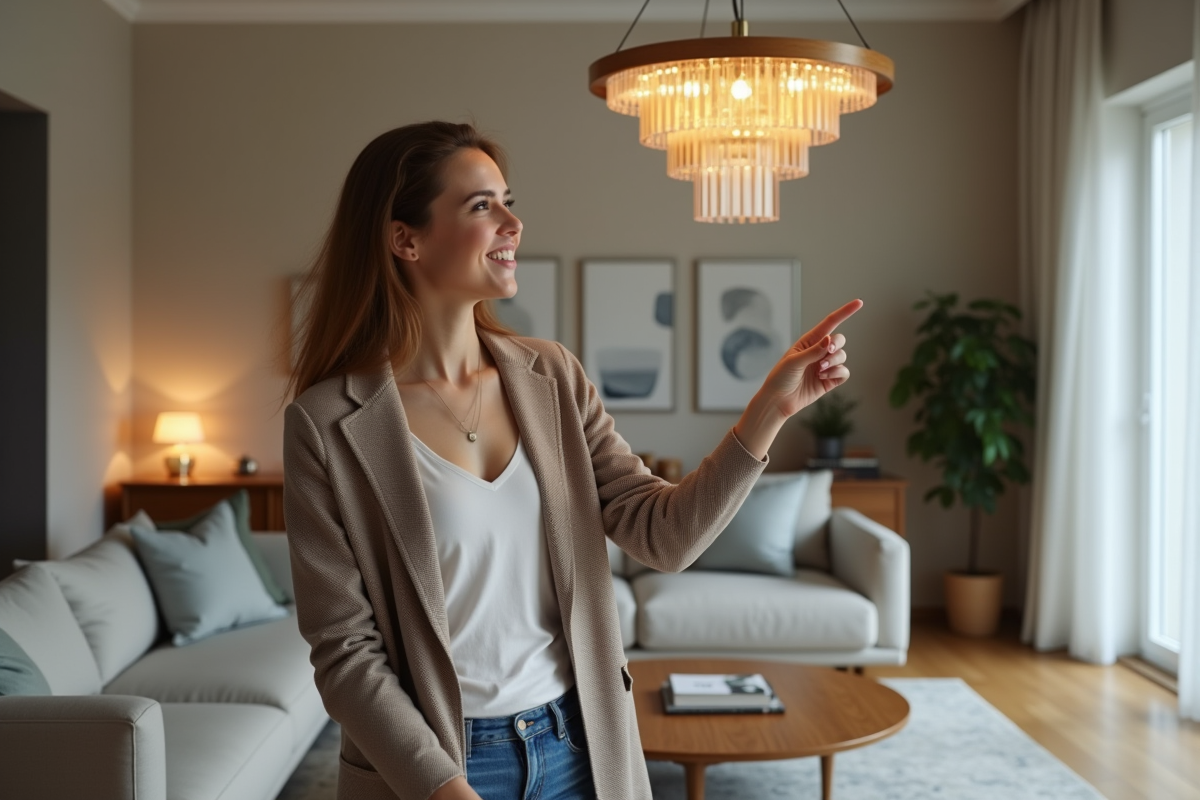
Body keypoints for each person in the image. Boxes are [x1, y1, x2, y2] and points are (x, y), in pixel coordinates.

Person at [282, 120, 862, 800]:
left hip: (578, 745)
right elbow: (346, 652)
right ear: (405, 238)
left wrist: (770, 409)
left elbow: (663, 536)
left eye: (508, 200)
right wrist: (444, 788)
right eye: (481, 206)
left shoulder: (551, 376)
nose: (512, 222)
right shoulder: (327, 425)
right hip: (434, 768)